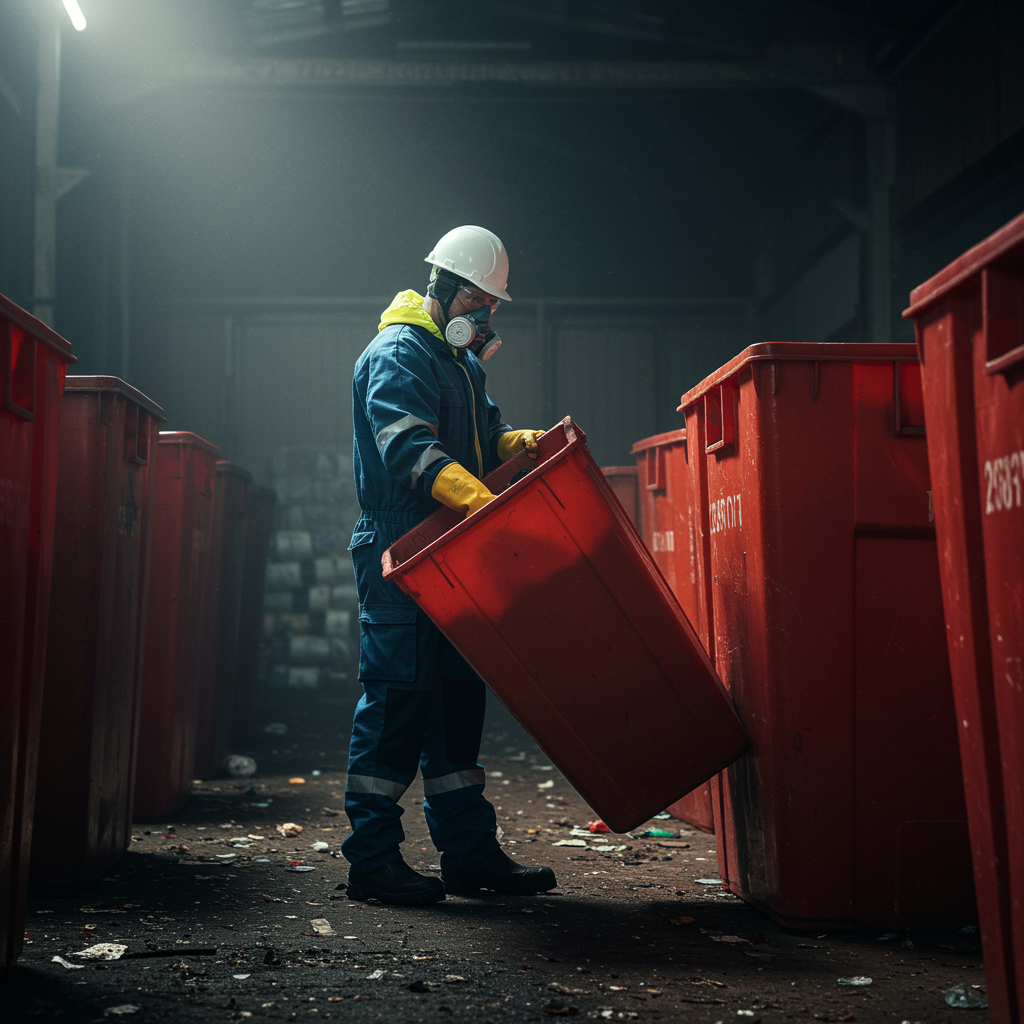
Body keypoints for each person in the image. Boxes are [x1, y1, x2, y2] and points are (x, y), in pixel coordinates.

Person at [343, 225, 557, 906]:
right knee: (398, 702)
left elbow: (481, 439)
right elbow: (407, 447)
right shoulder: (397, 353)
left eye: (493, 304)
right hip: (404, 547)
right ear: (448, 287)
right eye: (481, 300)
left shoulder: (461, 362)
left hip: (455, 544)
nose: (487, 314)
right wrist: (477, 498)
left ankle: (469, 856)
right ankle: (372, 861)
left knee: (458, 701)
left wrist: (515, 444)